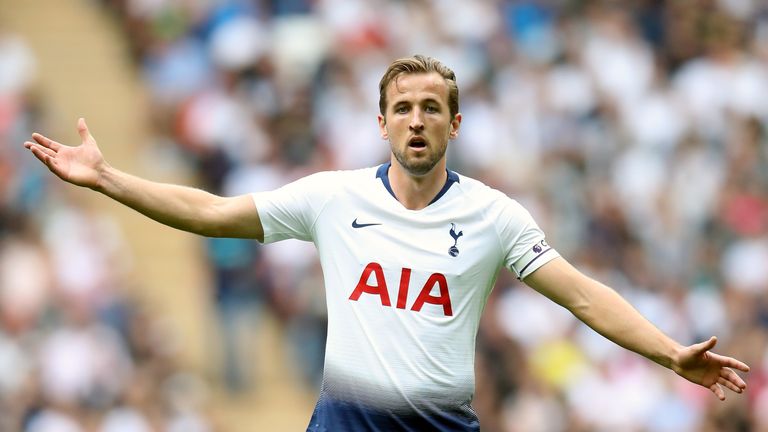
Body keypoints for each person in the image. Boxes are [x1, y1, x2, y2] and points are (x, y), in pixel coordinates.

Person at [24, 55, 749, 431]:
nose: (416, 120)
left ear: (455, 125)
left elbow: (583, 295)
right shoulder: (333, 198)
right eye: (402, 107)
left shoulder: (494, 216)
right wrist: (109, 179)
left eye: (432, 108)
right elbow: (213, 213)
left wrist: (668, 352)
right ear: (381, 123)